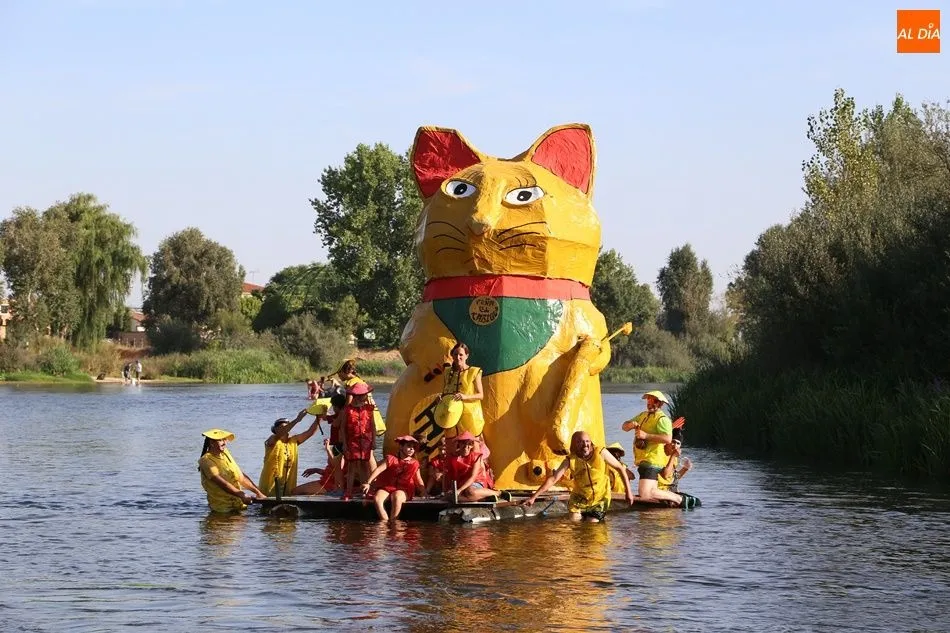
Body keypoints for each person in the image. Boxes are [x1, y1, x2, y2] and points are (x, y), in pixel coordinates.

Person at [523, 431, 634, 522]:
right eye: (580, 442)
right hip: (579, 498)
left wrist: (628, 492)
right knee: (575, 524)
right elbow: (553, 479)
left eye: (587, 441)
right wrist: (534, 497)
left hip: (599, 498)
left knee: (592, 526)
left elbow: (620, 468)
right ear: (574, 445)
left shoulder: (600, 452)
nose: (585, 445)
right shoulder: (570, 459)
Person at [622, 391, 697, 509]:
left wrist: (646, 436)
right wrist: (631, 424)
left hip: (653, 460)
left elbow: (667, 438)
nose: (651, 403)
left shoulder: (662, 419)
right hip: (643, 460)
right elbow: (624, 427)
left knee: (645, 493)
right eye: (649, 400)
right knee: (647, 492)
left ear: (661, 404)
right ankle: (664, 503)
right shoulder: (642, 415)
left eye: (655, 401)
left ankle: (679, 499)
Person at [198, 428, 265, 513]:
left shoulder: (225, 453)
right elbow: (222, 484)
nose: (224, 443)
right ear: (211, 443)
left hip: (239, 504)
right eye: (221, 440)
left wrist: (258, 492)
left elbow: (240, 477)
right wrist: (242, 495)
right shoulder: (206, 460)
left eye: (225, 439)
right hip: (222, 508)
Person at [361, 435, 425, 521]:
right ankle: (384, 522)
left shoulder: (415, 463)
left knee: (397, 496)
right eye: (408, 446)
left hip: (404, 488)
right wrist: (368, 482)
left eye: (413, 447)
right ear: (401, 447)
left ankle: (394, 522)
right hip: (387, 486)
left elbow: (418, 479)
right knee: (377, 498)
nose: (411, 449)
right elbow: (378, 470)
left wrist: (424, 492)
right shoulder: (391, 459)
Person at [258, 408, 319, 497]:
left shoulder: (293, 441)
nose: (286, 430)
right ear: (275, 430)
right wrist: (297, 420)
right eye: (283, 428)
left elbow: (310, 432)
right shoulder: (272, 440)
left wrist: (319, 418)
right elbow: (280, 434)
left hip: (287, 488)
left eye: (287, 427)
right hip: (269, 489)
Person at [443, 431, 505, 502]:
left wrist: (459, 490)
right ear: (459, 444)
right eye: (463, 443)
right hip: (461, 484)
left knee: (470, 491)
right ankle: (483, 498)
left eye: (469, 444)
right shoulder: (453, 457)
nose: (466, 446)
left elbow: (473, 477)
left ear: (472, 445)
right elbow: (447, 475)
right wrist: (447, 492)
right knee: (449, 496)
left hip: (476, 482)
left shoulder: (476, 456)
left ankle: (498, 493)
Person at [341, 382, 377, 500]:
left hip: (366, 441)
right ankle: (348, 492)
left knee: (364, 466)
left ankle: (366, 491)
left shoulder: (369, 408)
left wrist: (374, 441)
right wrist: (345, 444)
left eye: (364, 394)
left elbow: (373, 426)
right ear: (355, 396)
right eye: (360, 395)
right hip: (352, 441)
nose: (363, 397)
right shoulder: (348, 409)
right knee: (351, 467)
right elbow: (343, 428)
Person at [658, 428, 692, 494]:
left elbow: (673, 478)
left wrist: (685, 469)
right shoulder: (660, 454)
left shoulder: (674, 457)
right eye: (673, 441)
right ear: (667, 442)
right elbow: (665, 475)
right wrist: (673, 456)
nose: (675, 445)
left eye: (678, 443)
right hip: (658, 489)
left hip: (669, 490)